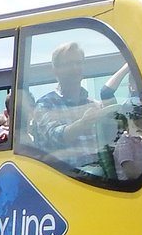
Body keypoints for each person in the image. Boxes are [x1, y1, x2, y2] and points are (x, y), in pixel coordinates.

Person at [32, 41, 114, 169]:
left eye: (78, 63)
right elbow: (57, 137)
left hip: (99, 182)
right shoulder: (45, 105)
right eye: (69, 64)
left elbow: (109, 143)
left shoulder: (94, 104)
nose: (75, 68)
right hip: (64, 180)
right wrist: (83, 123)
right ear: (55, 70)